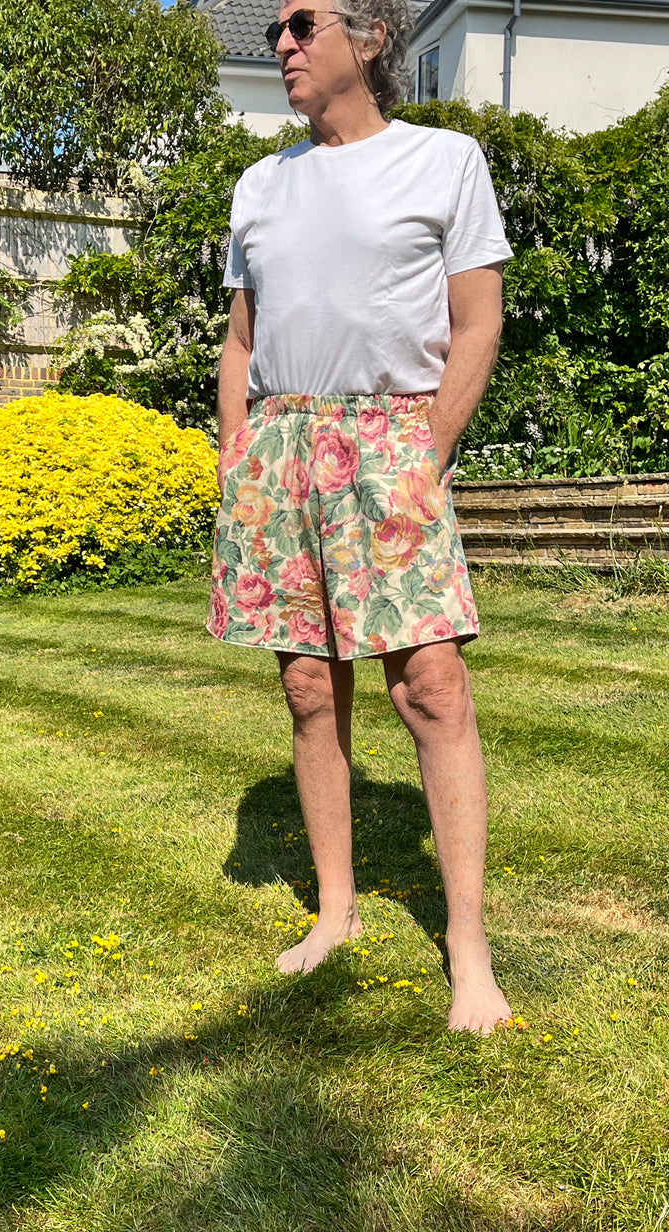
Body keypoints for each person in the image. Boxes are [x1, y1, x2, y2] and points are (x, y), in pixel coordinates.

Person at [207, 0, 513, 1034]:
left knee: (430, 686)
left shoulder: (443, 161)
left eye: (301, 23)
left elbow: (477, 320)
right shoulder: (261, 184)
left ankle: (466, 943)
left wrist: (426, 453)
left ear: (370, 37)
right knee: (306, 686)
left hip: (391, 439)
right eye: (274, 33)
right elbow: (242, 340)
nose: (282, 44)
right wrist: (237, 455)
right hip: (280, 444)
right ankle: (335, 909)